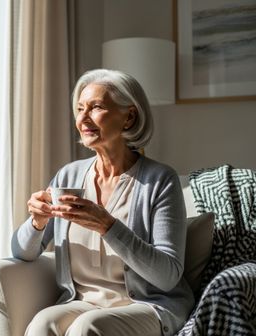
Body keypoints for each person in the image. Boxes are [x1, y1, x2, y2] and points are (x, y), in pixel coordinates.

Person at [12, 69, 194, 336]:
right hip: (83, 302)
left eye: (96, 107)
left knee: (88, 327)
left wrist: (108, 226)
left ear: (129, 116)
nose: (83, 118)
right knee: (42, 323)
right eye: (79, 109)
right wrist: (37, 222)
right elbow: (21, 253)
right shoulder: (69, 175)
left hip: (145, 304)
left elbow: (167, 276)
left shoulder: (159, 180)